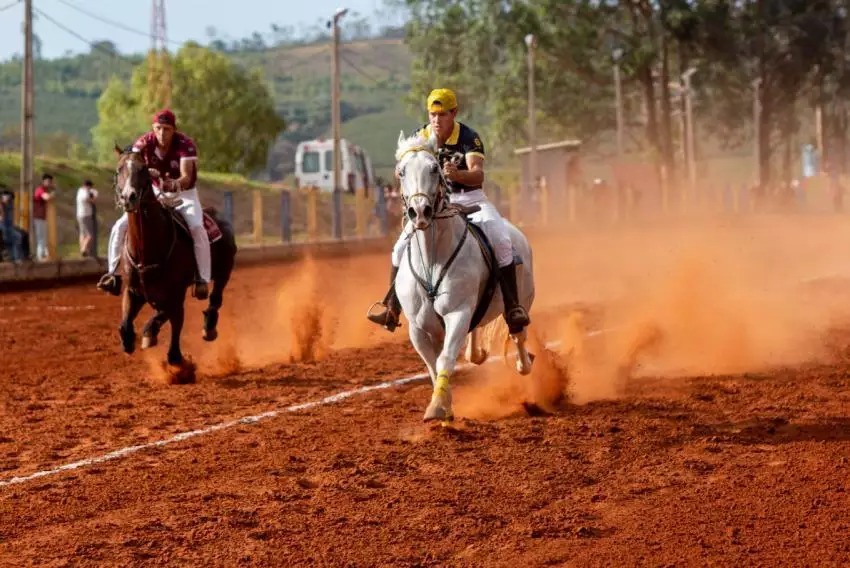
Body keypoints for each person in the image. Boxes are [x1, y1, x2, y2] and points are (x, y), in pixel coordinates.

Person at [367, 88, 531, 334]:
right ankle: (392, 307)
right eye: (432, 114)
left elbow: (478, 174)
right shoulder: (419, 136)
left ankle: (512, 307)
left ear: (453, 113)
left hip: (471, 199)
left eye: (442, 114)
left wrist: (458, 175)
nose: (436, 120)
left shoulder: (468, 138)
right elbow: (401, 169)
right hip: (435, 204)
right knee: (400, 248)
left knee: (502, 241)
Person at [97, 109, 210, 300]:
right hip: (155, 192)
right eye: (158, 128)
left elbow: (187, 176)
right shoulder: (144, 142)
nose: (162, 133)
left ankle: (202, 278)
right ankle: (113, 275)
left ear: (174, 129)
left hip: (185, 194)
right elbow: (130, 161)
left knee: (197, 227)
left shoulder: (185, 144)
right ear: (153, 128)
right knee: (120, 226)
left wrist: (172, 184)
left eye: (166, 129)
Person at [32, 174, 55, 261]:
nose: (49, 183)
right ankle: (40, 257)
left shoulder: (45, 190)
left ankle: (44, 255)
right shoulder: (40, 189)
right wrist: (52, 193)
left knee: (44, 237)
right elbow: (46, 197)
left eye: (50, 182)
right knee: (41, 238)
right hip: (38, 217)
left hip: (43, 217)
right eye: (48, 182)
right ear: (44, 181)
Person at [75, 179, 98, 257]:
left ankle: (83, 248)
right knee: (90, 235)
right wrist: (93, 198)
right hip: (86, 215)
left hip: (79, 215)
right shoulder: (84, 192)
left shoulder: (80, 191)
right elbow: (91, 200)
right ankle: (84, 249)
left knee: (82, 234)